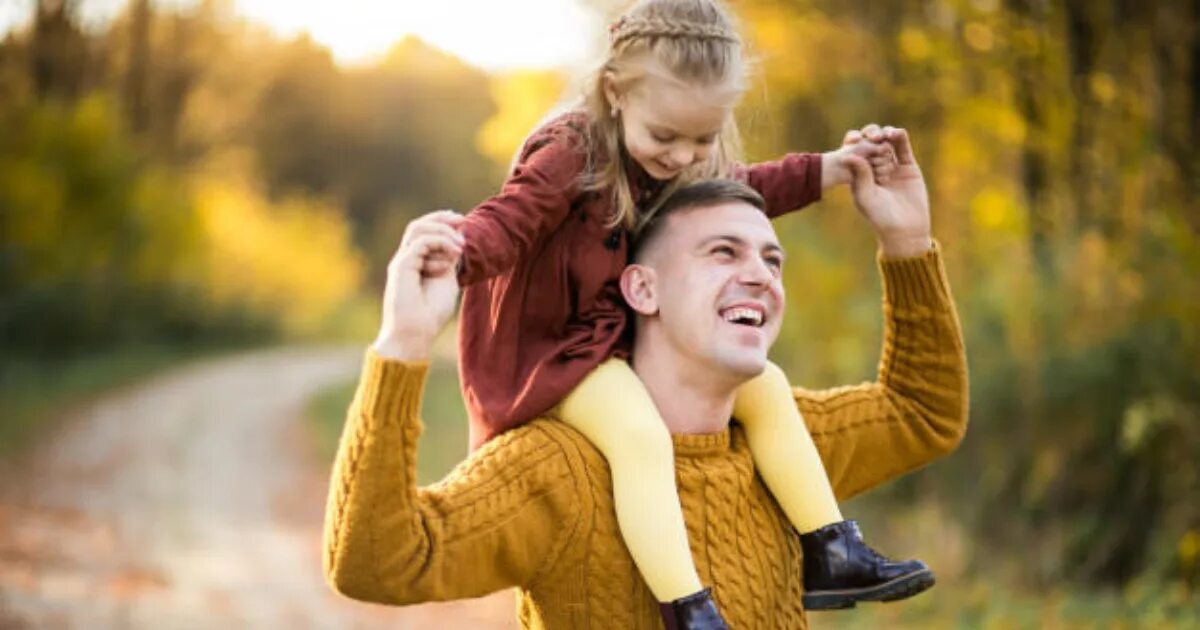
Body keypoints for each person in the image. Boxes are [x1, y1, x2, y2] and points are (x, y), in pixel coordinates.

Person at [323, 127, 970, 629]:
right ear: (641, 287)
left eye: (773, 259)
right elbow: (377, 563)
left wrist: (906, 239)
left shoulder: (787, 446)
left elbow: (923, 413)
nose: (761, 275)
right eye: (723, 252)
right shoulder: (558, 471)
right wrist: (404, 344)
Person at [438, 0, 923, 621]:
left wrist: (829, 170)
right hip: (552, 354)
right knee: (638, 432)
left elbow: (745, 191)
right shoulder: (570, 152)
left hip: (615, 337)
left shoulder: (680, 156)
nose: (683, 156)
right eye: (666, 136)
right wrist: (451, 256)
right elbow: (510, 221)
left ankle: (830, 549)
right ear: (615, 93)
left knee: (767, 385)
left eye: (703, 138)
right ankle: (687, 607)